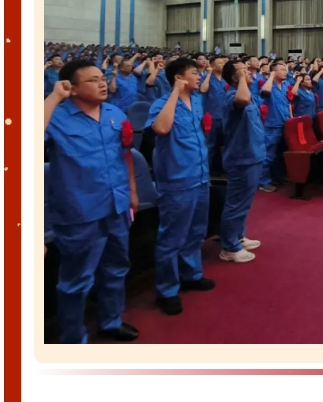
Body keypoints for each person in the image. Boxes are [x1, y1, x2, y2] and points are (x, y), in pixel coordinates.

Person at [44, 60, 140, 343]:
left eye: (102, 78)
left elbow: (126, 154)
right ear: (71, 88)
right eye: (93, 80)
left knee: (116, 268)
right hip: (80, 211)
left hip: (117, 205)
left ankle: (111, 321)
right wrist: (54, 97)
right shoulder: (57, 117)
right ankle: (73, 339)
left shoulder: (114, 112)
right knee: (76, 281)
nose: (102, 83)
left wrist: (132, 190)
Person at [146, 58, 214, 316]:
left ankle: (191, 275)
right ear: (179, 78)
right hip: (177, 179)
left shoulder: (196, 101)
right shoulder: (162, 103)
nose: (199, 76)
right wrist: (174, 93)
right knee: (172, 237)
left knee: (196, 231)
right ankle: (167, 290)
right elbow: (161, 128)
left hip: (200, 175)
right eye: (194, 73)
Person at [219, 60, 264, 263]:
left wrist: (242, 77)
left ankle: (238, 235)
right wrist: (241, 79)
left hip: (253, 153)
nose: (249, 72)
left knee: (245, 201)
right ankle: (229, 246)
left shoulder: (249, 94)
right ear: (234, 77)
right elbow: (242, 99)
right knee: (236, 203)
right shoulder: (232, 96)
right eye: (243, 70)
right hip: (241, 157)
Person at [258, 62, 292, 192]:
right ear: (274, 72)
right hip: (272, 125)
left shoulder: (286, 85)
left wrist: (291, 118)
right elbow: (265, 91)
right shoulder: (269, 85)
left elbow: (288, 103)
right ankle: (263, 182)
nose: (285, 72)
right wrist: (271, 77)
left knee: (280, 154)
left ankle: (278, 176)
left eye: (285, 69)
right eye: (282, 69)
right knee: (268, 155)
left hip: (285, 123)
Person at [199, 56, 228, 175]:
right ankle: (209, 171)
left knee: (225, 145)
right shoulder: (207, 78)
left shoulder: (226, 79)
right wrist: (209, 74)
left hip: (225, 117)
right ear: (212, 66)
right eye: (220, 63)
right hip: (211, 116)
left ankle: (223, 169)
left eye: (224, 63)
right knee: (211, 145)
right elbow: (203, 90)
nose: (223, 65)